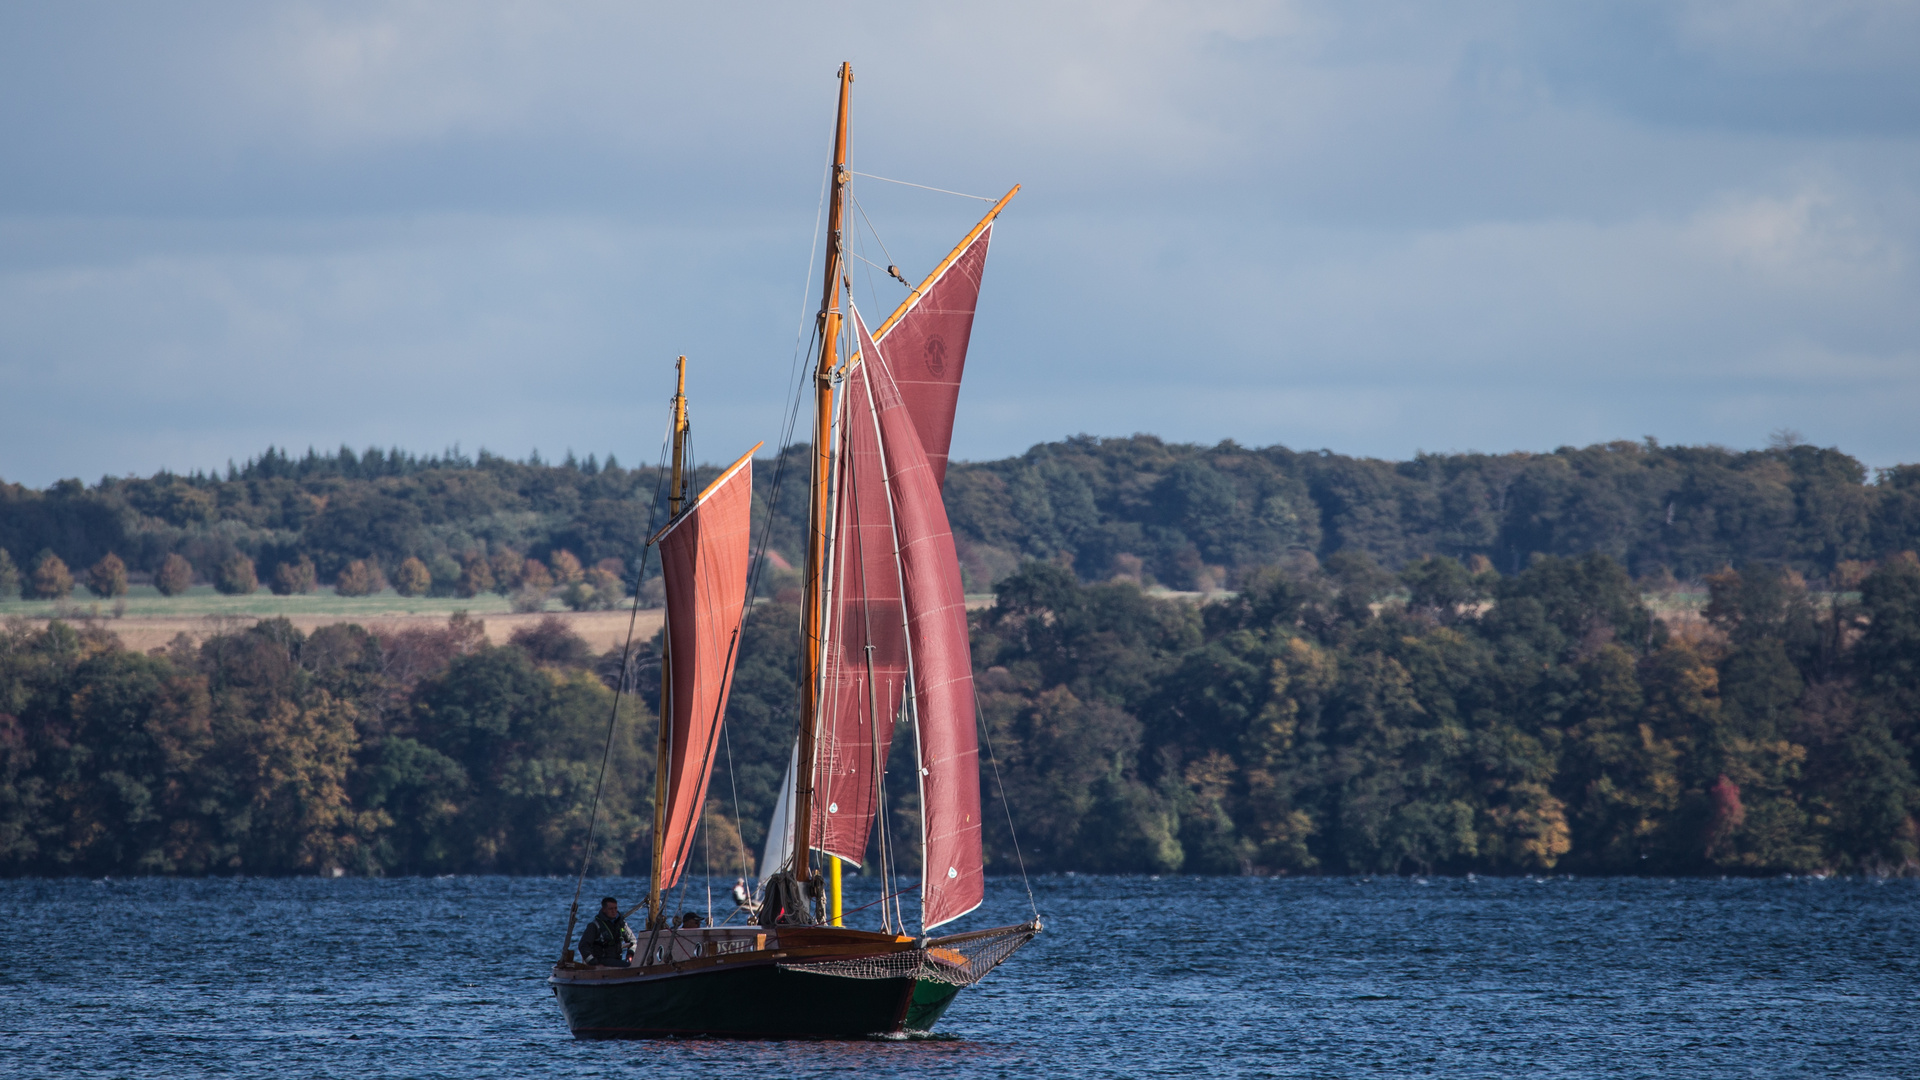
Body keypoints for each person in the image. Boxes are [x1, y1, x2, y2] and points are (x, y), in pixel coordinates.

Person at [578, 896, 636, 967]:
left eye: (615, 908)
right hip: (601, 960)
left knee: (635, 965)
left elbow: (633, 940)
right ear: (604, 910)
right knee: (628, 967)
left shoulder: (621, 924)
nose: (614, 911)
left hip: (616, 960)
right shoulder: (594, 926)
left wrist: (630, 953)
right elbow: (583, 946)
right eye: (611, 909)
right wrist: (593, 963)